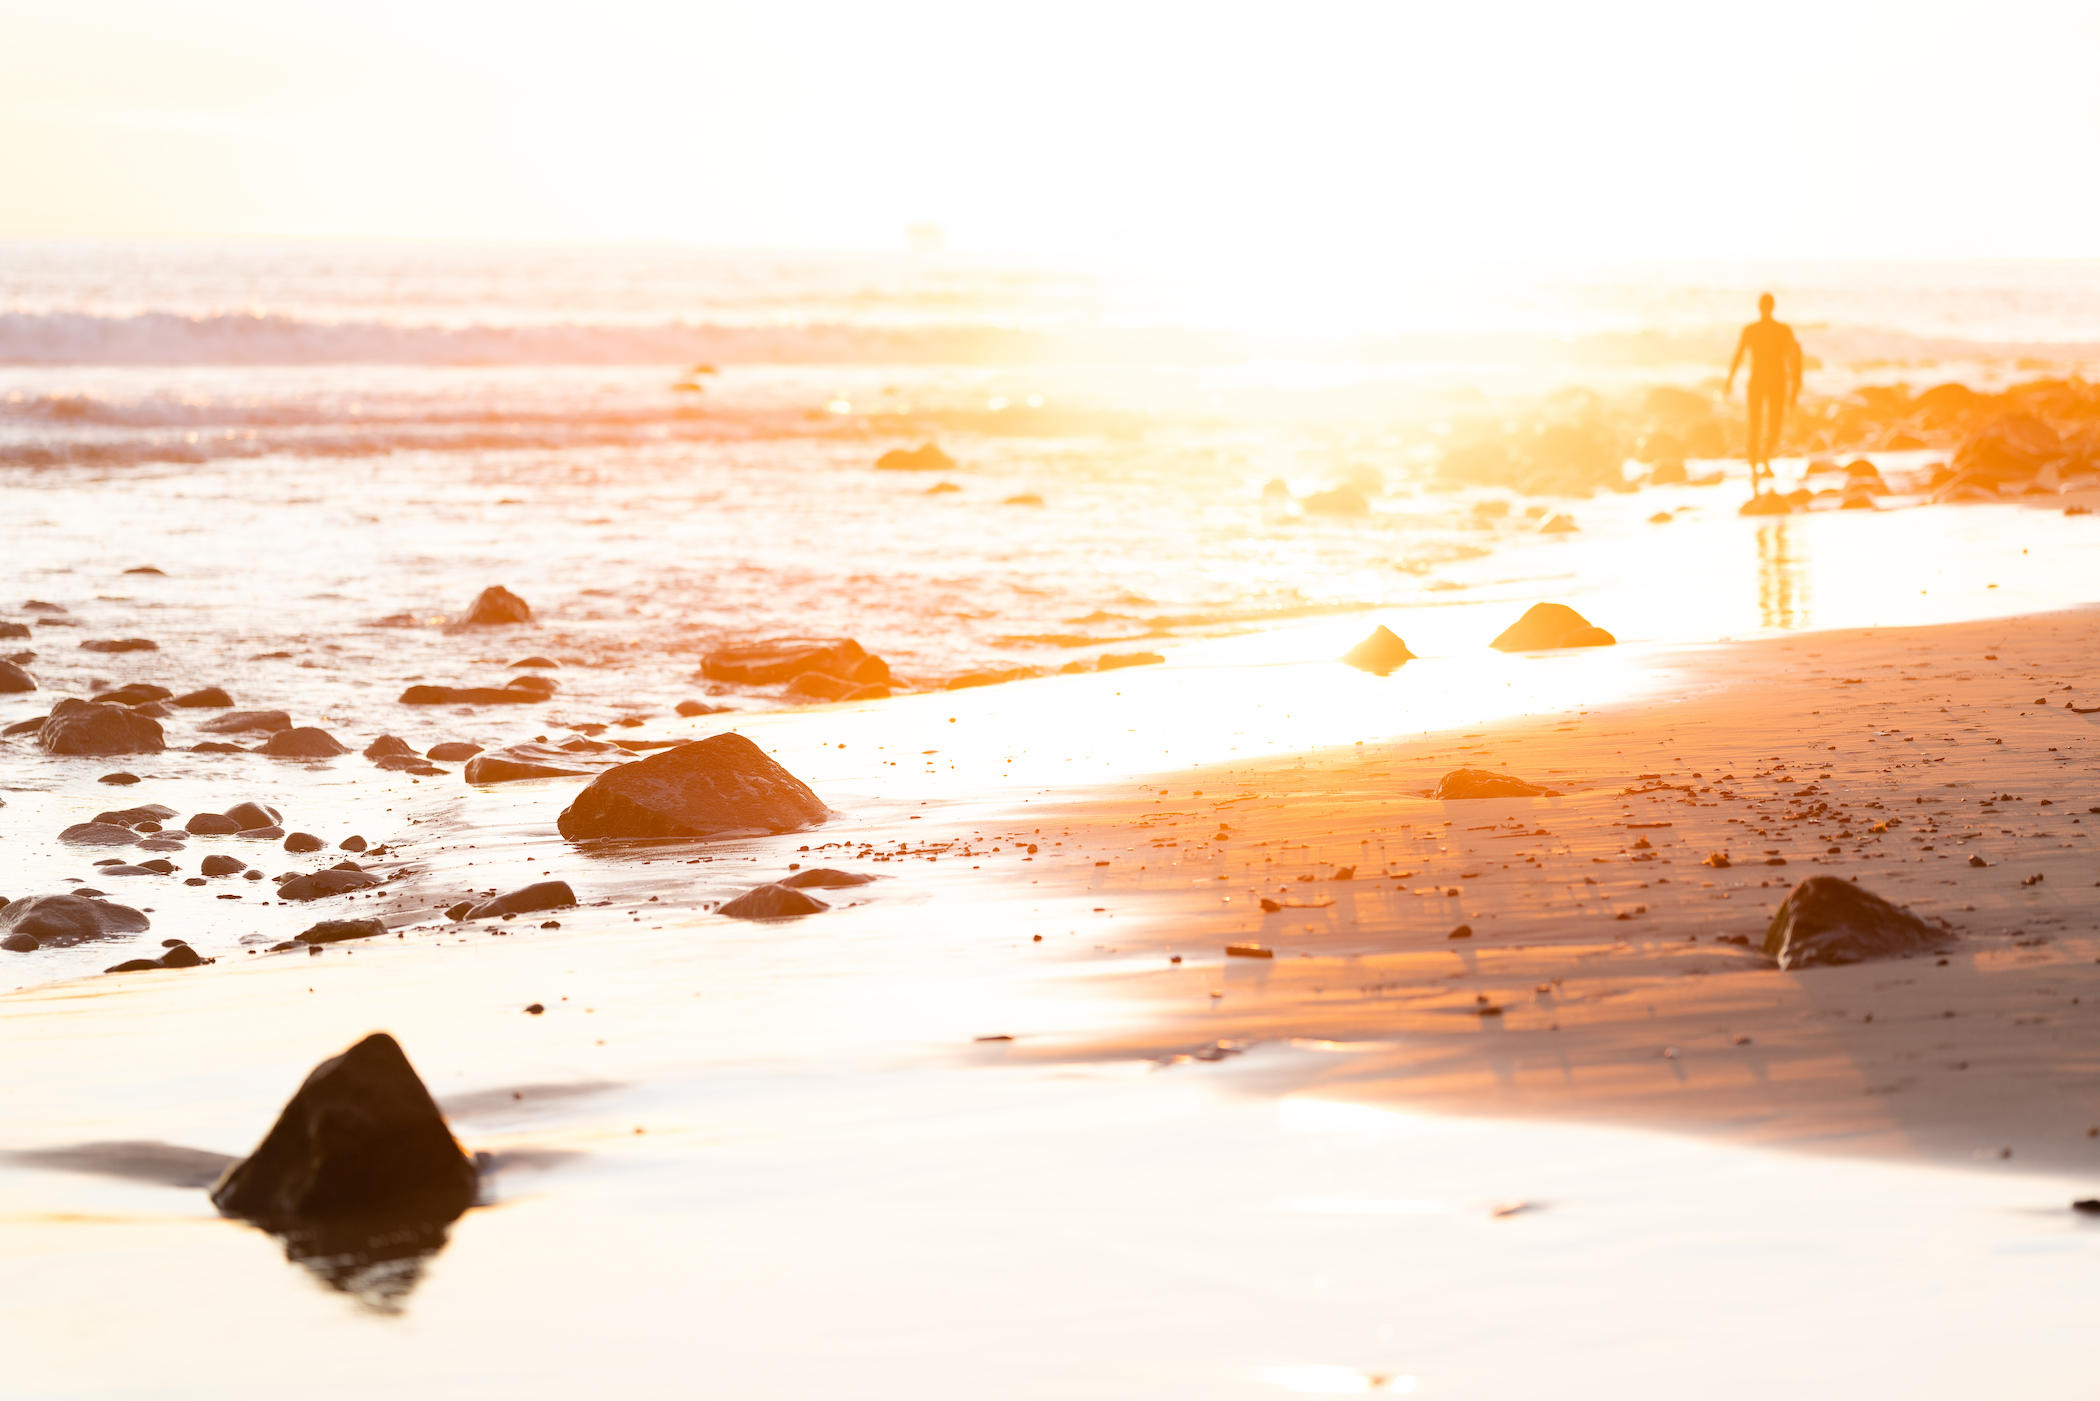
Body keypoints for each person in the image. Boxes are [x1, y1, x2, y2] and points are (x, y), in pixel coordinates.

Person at [1724, 293, 1802, 496]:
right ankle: (1756, 467)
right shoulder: (1756, 330)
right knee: (1757, 426)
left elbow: (1794, 356)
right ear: (1766, 307)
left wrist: (1730, 380)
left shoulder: (1777, 330)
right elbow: (1739, 354)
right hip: (1768, 383)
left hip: (1767, 382)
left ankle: (1762, 462)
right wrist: (1729, 380)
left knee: (1768, 426)